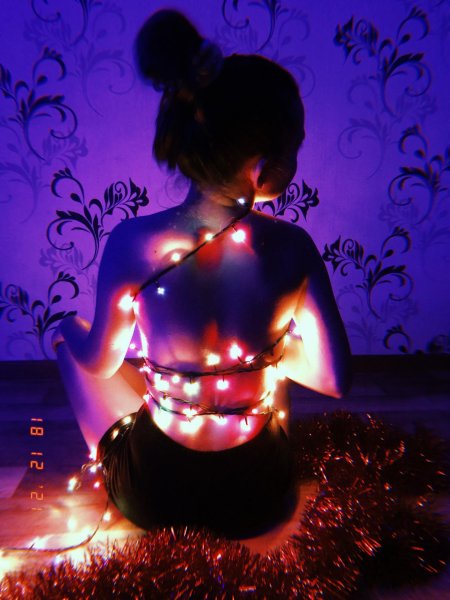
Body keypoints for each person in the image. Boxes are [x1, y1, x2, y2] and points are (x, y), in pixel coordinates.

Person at [52, 10, 351, 537]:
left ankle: (69, 343)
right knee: (270, 374)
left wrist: (67, 332)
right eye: (295, 147)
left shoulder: (131, 242)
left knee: (74, 348)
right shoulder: (292, 248)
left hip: (154, 492)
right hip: (259, 495)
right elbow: (334, 379)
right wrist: (264, 350)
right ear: (261, 166)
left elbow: (100, 363)